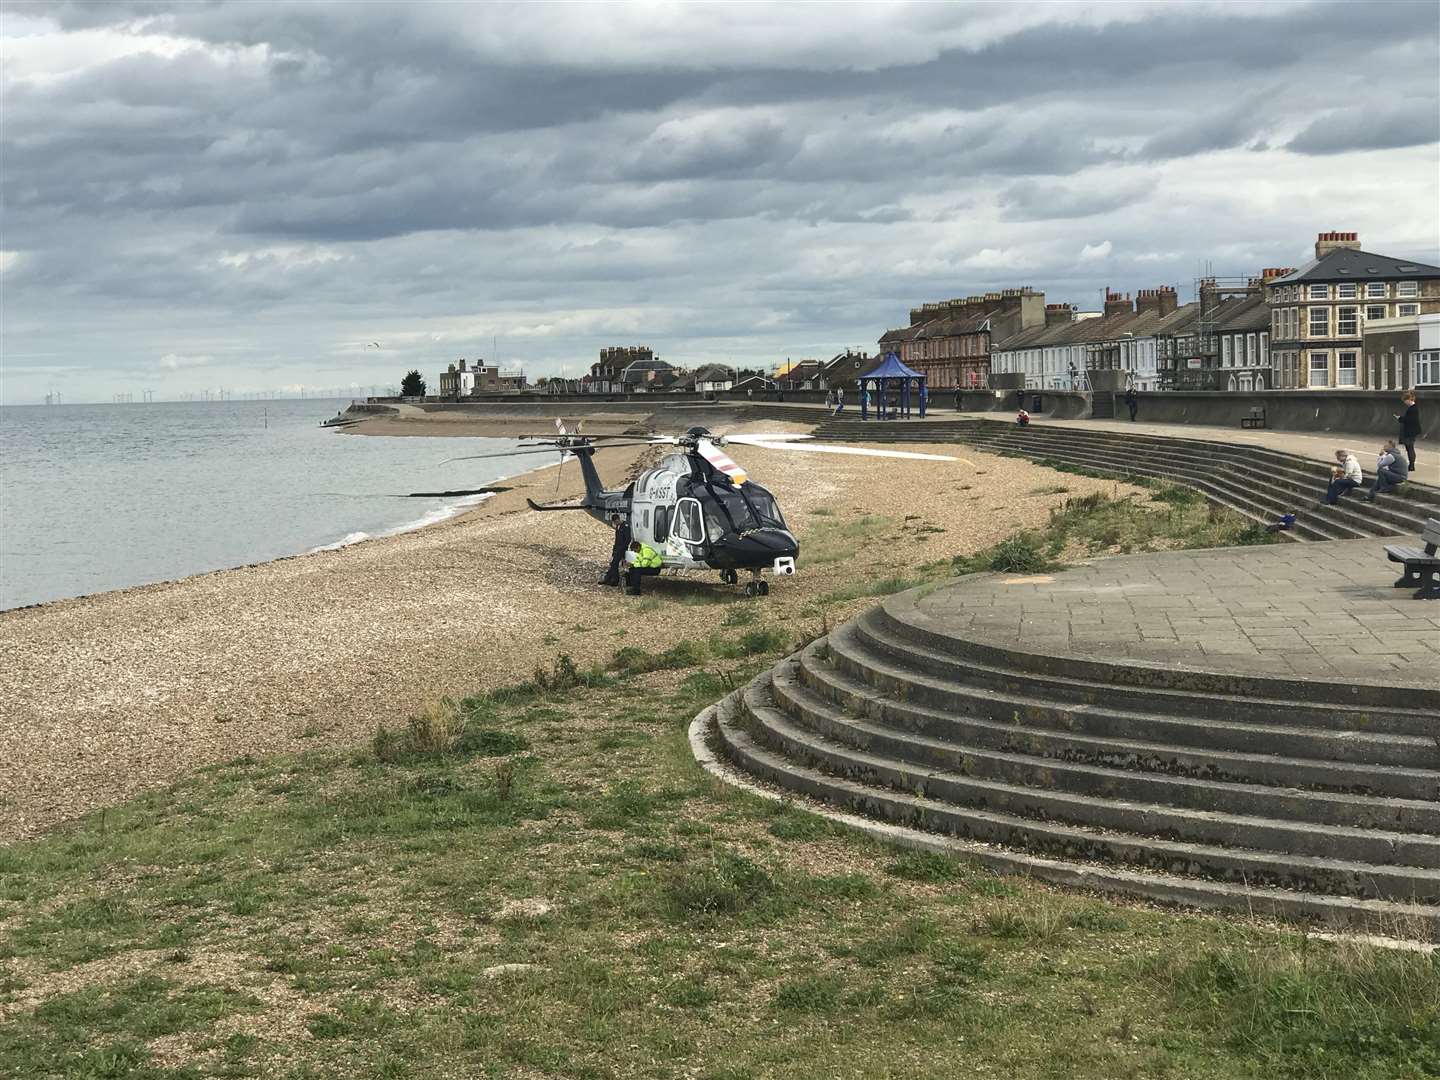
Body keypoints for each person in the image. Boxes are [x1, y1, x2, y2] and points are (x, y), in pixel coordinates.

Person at [600, 512, 630, 586]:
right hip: (617, 549)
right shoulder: (618, 527)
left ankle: (614, 580)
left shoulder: (625, 526)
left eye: (615, 522)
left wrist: (622, 548)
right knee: (613, 563)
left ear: (617, 520)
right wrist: (614, 550)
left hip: (622, 549)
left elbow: (627, 539)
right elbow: (617, 540)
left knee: (614, 563)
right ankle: (609, 578)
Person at [1395, 391, 1421, 472]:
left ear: (1409, 399)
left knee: (1410, 448)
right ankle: (1411, 465)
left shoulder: (1412, 409)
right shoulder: (1413, 408)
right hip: (1412, 431)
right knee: (1409, 448)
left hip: (1410, 431)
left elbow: (1409, 420)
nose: (1404, 402)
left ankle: (1411, 465)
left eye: (1405, 400)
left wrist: (1399, 418)